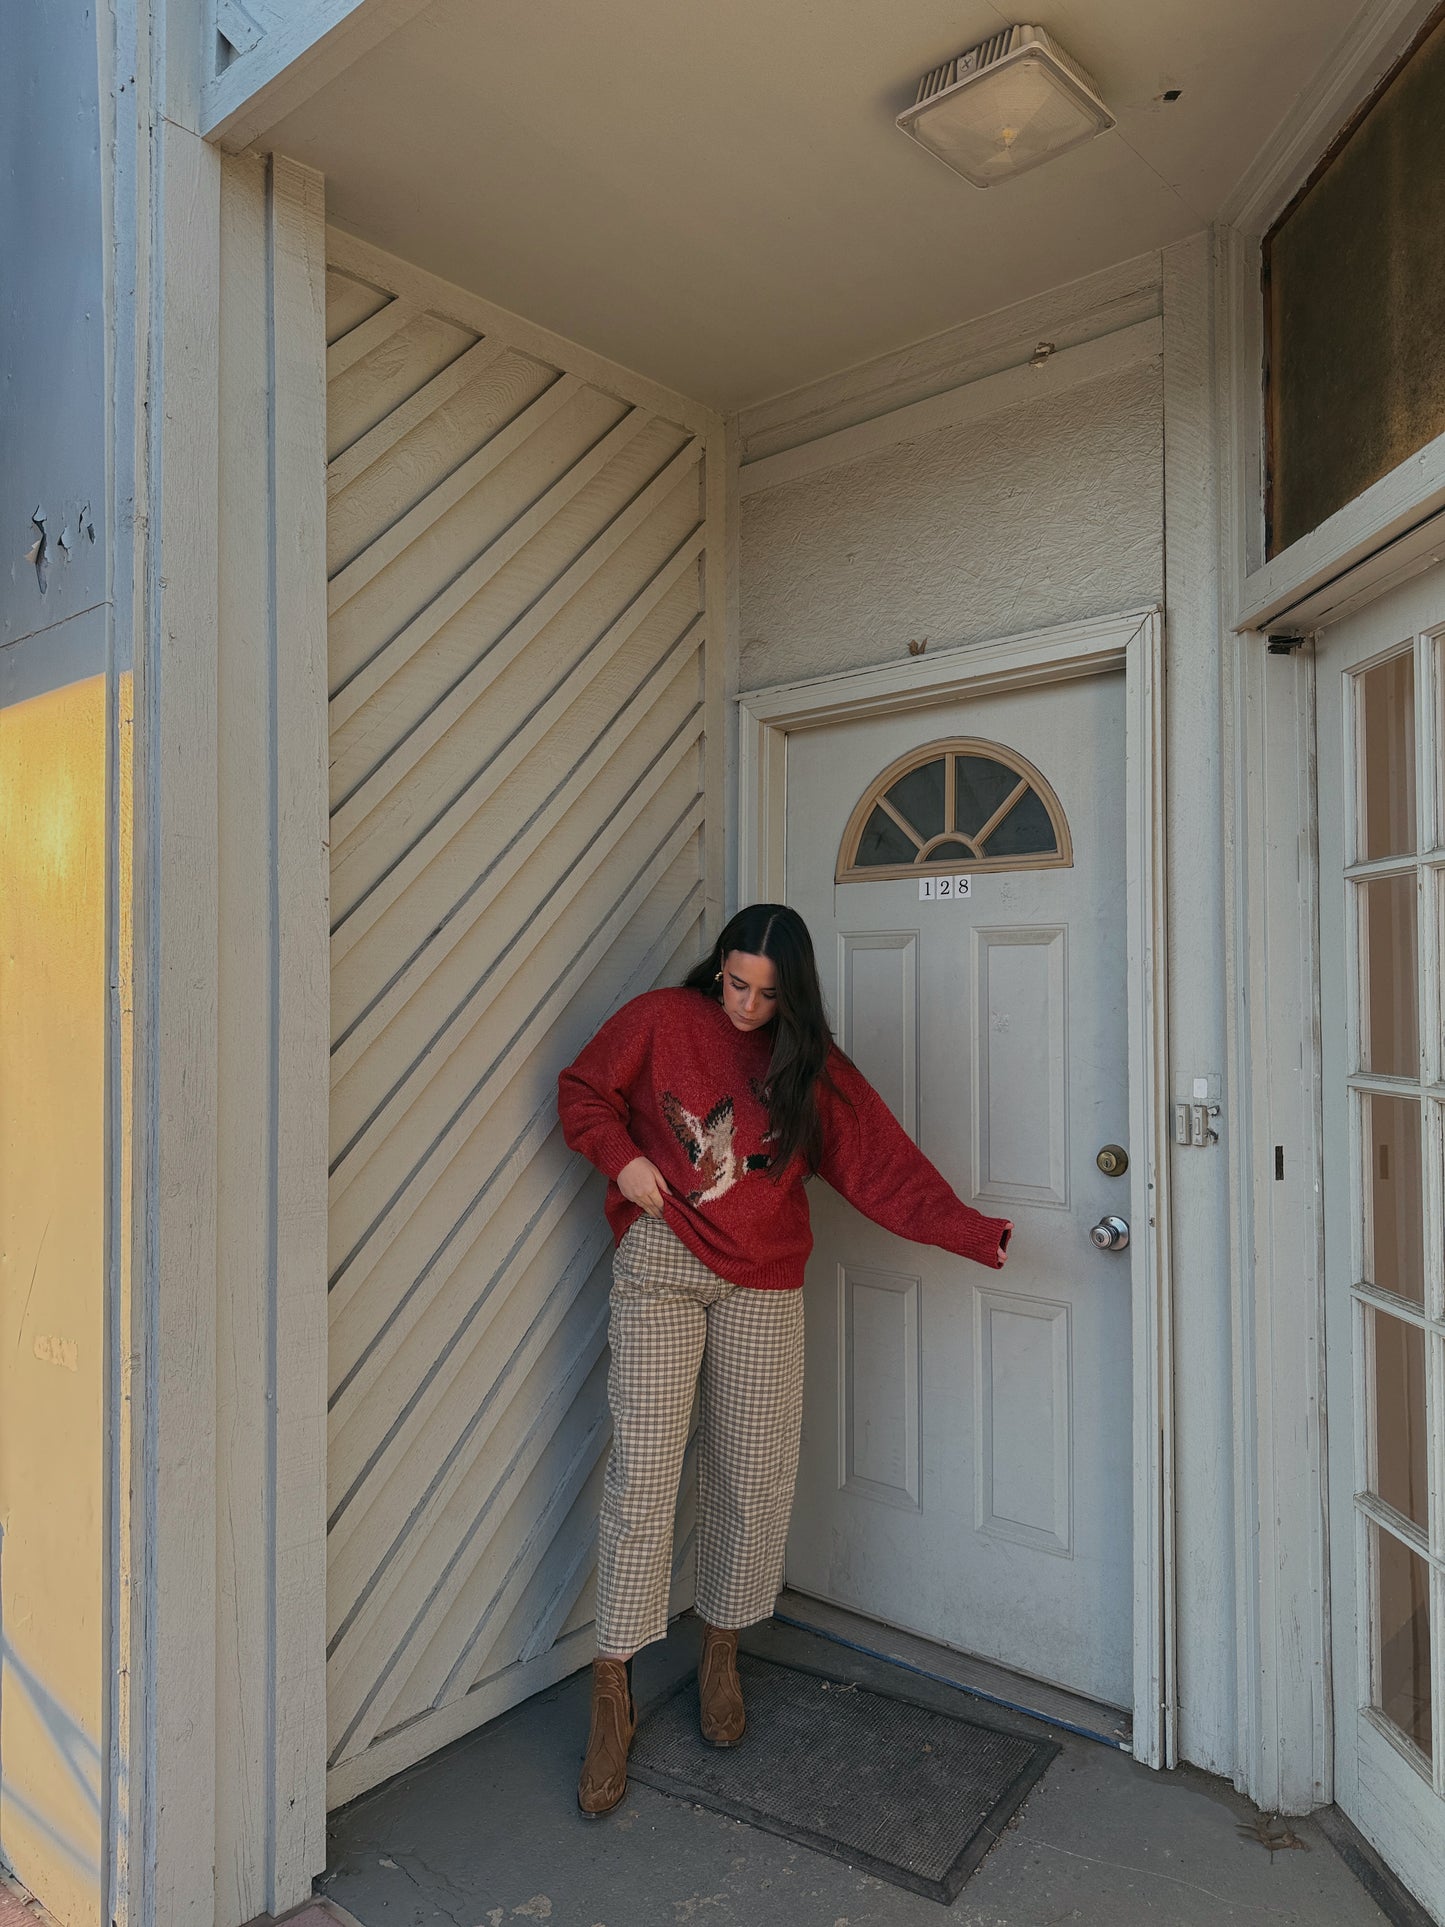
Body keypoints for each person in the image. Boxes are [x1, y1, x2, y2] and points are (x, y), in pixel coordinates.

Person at [556, 902, 1013, 1816]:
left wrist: (973, 1232)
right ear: (715, 965)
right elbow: (581, 1092)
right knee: (644, 1470)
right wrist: (624, 1163)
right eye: (734, 982)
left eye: (766, 993)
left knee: (753, 1473)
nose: (745, 1005)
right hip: (662, 1264)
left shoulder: (809, 1066)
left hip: (765, 1279)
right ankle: (614, 1681)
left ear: (791, 993)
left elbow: (882, 1166)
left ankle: (721, 1648)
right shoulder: (658, 1020)